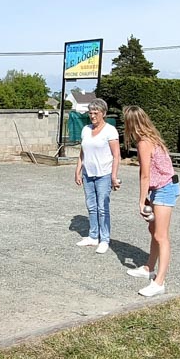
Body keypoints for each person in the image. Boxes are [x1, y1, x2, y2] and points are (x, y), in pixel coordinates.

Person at [121, 105, 179, 297]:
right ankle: (148, 268)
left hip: (165, 189)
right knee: (153, 230)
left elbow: (145, 175)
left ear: (131, 124)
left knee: (161, 236)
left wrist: (140, 202)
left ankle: (159, 282)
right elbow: (146, 172)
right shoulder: (152, 138)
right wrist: (147, 196)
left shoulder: (144, 143)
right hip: (159, 189)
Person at [74, 98, 121, 254]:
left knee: (102, 208)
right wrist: (78, 170)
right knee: (91, 206)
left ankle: (104, 239)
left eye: (96, 113)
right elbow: (83, 152)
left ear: (103, 113)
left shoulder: (110, 131)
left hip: (104, 175)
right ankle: (93, 236)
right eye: (90, 112)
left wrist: (114, 176)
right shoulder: (86, 129)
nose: (92, 116)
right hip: (88, 173)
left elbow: (116, 155)